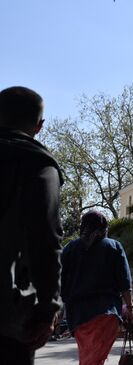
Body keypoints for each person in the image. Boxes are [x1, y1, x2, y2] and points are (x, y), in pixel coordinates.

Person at [0, 86, 63, 364]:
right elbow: (45, 239)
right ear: (39, 126)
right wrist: (49, 306)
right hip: (7, 314)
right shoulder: (37, 165)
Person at [61, 211, 133, 365]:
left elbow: (60, 280)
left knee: (90, 358)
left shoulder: (70, 249)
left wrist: (58, 308)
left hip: (78, 316)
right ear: (104, 228)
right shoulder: (114, 247)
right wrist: (130, 307)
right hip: (107, 314)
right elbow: (125, 282)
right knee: (93, 360)